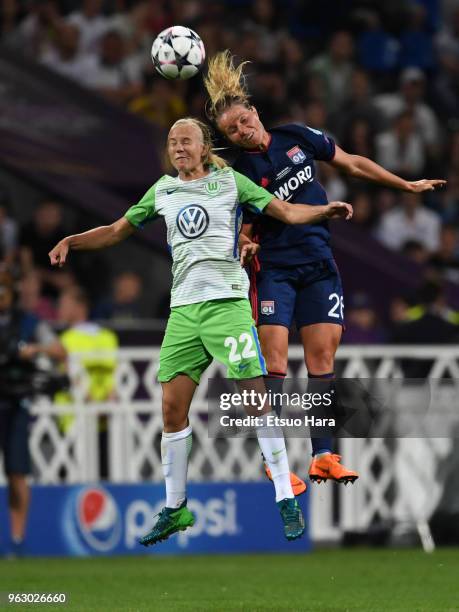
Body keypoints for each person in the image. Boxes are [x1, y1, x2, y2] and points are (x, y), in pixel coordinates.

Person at [49, 117, 353, 545]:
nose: (178, 147)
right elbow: (118, 230)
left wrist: (325, 210)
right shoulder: (162, 190)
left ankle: (286, 497)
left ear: (204, 145)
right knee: (171, 412)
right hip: (183, 313)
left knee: (255, 402)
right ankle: (175, 508)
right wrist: (72, 240)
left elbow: (283, 210)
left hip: (227, 306)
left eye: (186, 140)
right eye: (172, 141)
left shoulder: (231, 183)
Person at [204, 50, 446, 488]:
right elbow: (239, 230)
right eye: (232, 131)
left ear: (255, 112)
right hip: (274, 269)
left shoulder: (295, 137)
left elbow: (351, 161)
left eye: (244, 120)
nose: (242, 131)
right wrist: (242, 245)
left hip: (318, 264)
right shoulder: (240, 176)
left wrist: (405, 184)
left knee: (322, 359)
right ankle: (274, 459)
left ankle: (323, 455)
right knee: (273, 359)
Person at [0, 270, 66, 557]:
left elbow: (59, 350)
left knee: (17, 473)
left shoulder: (27, 323)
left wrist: (32, 350)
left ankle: (17, 538)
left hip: (16, 402)